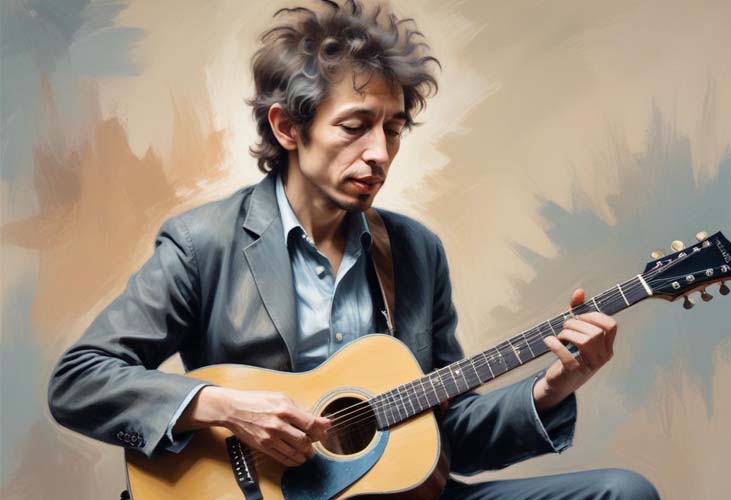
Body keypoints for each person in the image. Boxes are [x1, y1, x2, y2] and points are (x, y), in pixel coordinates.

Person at [48, 1, 659, 498]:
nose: (380, 154)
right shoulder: (204, 242)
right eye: (355, 126)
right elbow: (79, 381)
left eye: (393, 129)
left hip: (398, 495)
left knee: (623, 492)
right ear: (288, 127)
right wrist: (222, 407)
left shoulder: (415, 251)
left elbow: (446, 431)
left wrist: (552, 388)